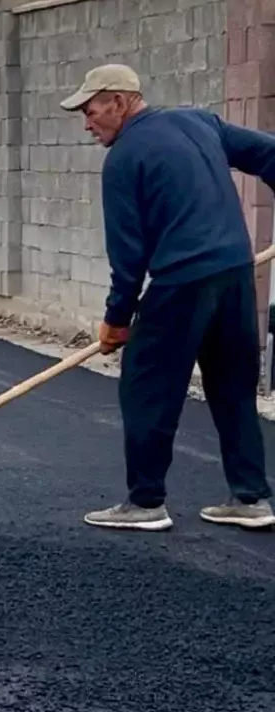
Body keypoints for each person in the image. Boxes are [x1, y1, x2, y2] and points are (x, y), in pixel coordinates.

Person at [61, 64, 275, 531]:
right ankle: (252, 497)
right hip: (236, 277)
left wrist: (117, 320)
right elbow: (269, 154)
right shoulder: (200, 122)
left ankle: (145, 502)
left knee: (147, 387)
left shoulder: (123, 160)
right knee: (233, 387)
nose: (86, 122)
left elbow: (128, 255)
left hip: (182, 282)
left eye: (91, 110)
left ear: (119, 102)